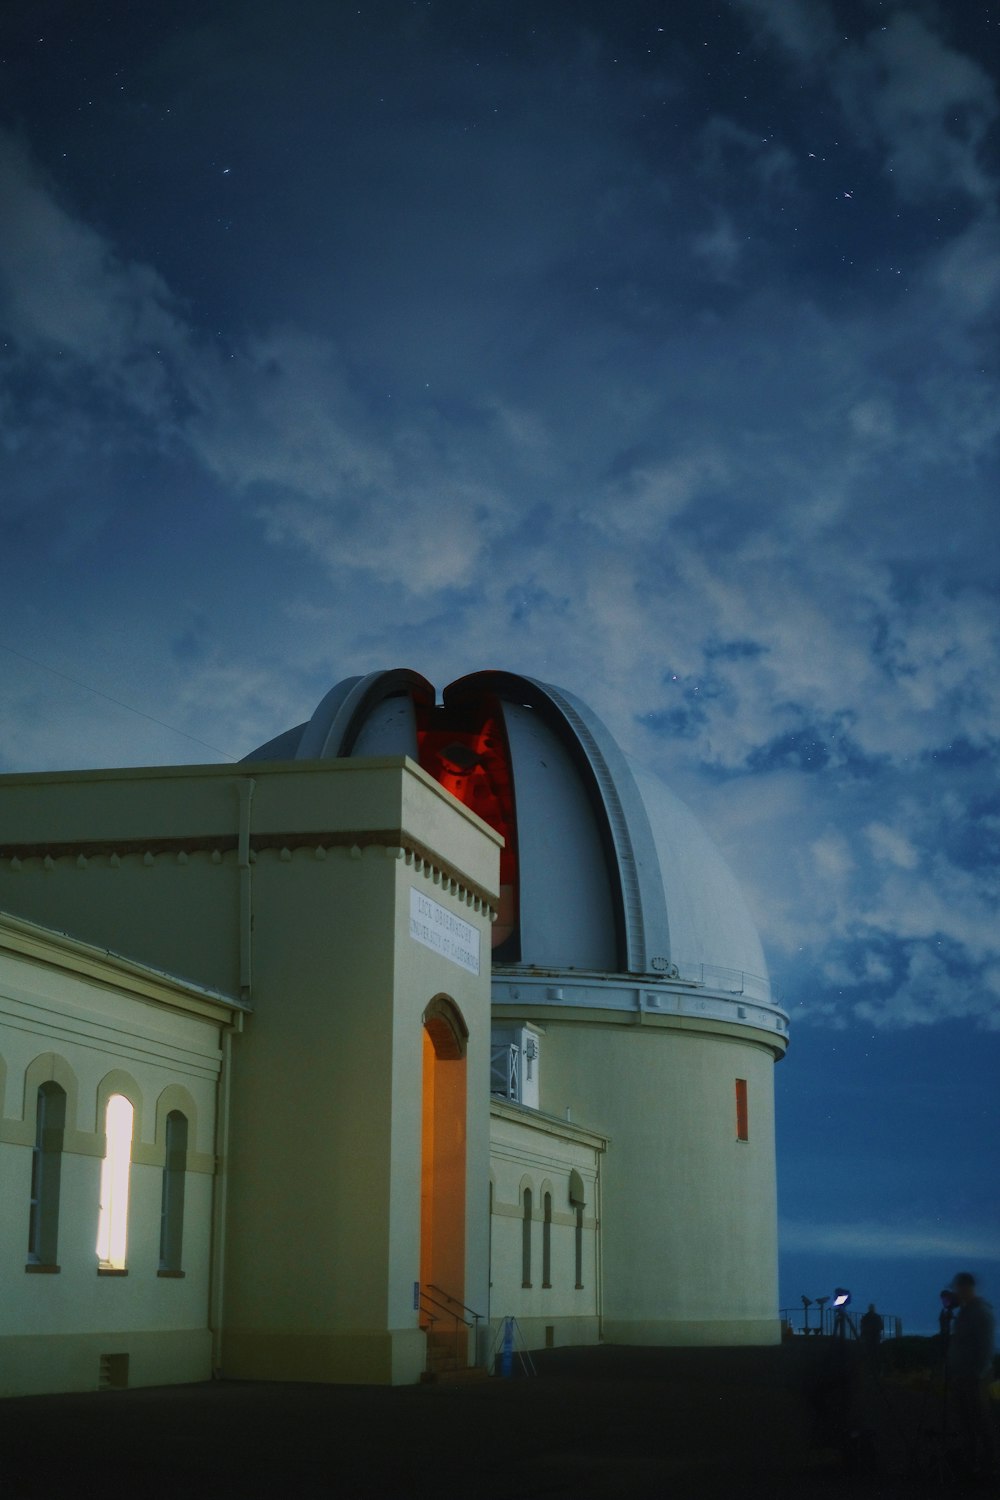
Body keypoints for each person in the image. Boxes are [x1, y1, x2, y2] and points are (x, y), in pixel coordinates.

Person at [946, 1271, 998, 1478]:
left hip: (974, 1377)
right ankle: (972, 1462)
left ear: (965, 1287)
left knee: (980, 1420)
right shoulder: (966, 1311)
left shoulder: (979, 1312)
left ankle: (988, 1464)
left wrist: (976, 1374)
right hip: (963, 1375)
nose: (954, 1292)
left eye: (957, 1288)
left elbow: (985, 1348)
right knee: (967, 1421)